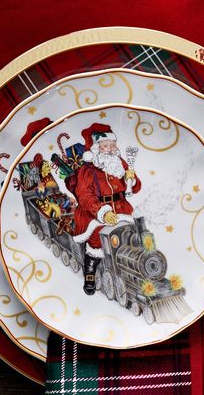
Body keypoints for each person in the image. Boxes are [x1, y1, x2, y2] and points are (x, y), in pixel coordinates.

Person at [66, 123, 141, 295]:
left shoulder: (120, 163)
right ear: (95, 149)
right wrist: (103, 212)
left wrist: (132, 180)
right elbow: (84, 196)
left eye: (113, 145)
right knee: (97, 239)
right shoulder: (87, 171)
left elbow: (133, 189)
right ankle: (90, 271)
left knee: (132, 234)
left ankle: (131, 267)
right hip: (94, 211)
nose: (110, 149)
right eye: (105, 146)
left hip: (121, 207)